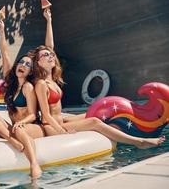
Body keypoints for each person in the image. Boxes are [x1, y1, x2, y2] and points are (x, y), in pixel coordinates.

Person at [31, 44, 166, 149]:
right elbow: (46, 115)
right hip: (51, 126)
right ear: (38, 63)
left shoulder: (53, 81)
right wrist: (61, 131)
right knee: (94, 122)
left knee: (90, 114)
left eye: (51, 54)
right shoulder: (41, 84)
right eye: (46, 55)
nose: (51, 56)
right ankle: (139, 142)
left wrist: (48, 20)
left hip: (61, 121)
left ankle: (124, 133)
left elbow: (50, 45)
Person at [0, 8, 54, 179]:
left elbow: (32, 114)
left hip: (32, 127)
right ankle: (13, 141)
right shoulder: (10, 84)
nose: (22, 65)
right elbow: (5, 53)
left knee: (20, 130)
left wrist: (21, 123)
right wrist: (1, 32)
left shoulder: (28, 88)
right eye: (21, 62)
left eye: (28, 64)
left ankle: (34, 164)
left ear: (30, 72)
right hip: (15, 129)